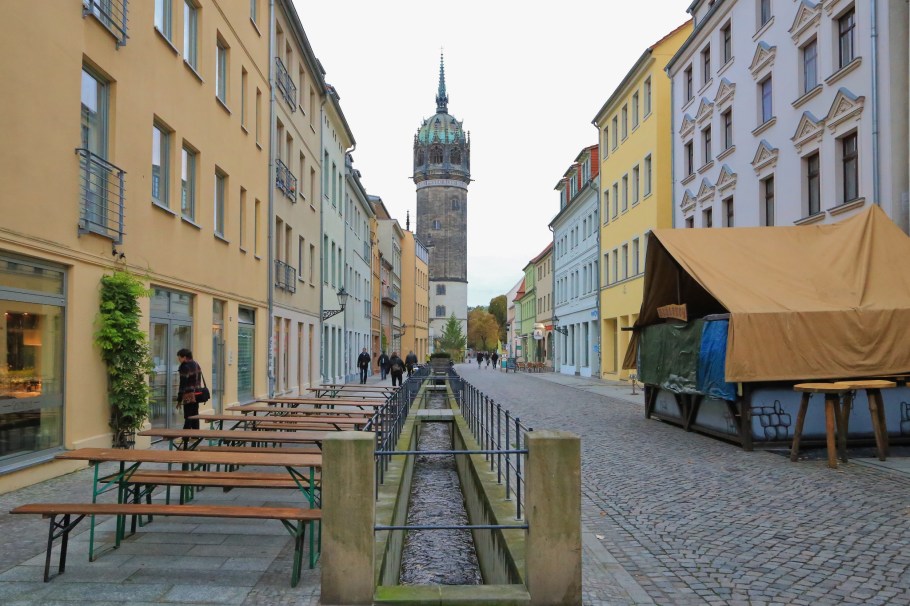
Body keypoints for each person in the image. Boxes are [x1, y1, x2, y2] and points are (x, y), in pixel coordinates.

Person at [175, 348, 203, 430]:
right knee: (195, 416)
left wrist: (179, 399)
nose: (179, 360)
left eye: (179, 358)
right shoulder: (196, 364)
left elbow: (182, 384)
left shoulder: (185, 366)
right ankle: (195, 436)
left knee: (188, 416)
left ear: (184, 357)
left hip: (189, 395)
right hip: (197, 394)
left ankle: (185, 438)